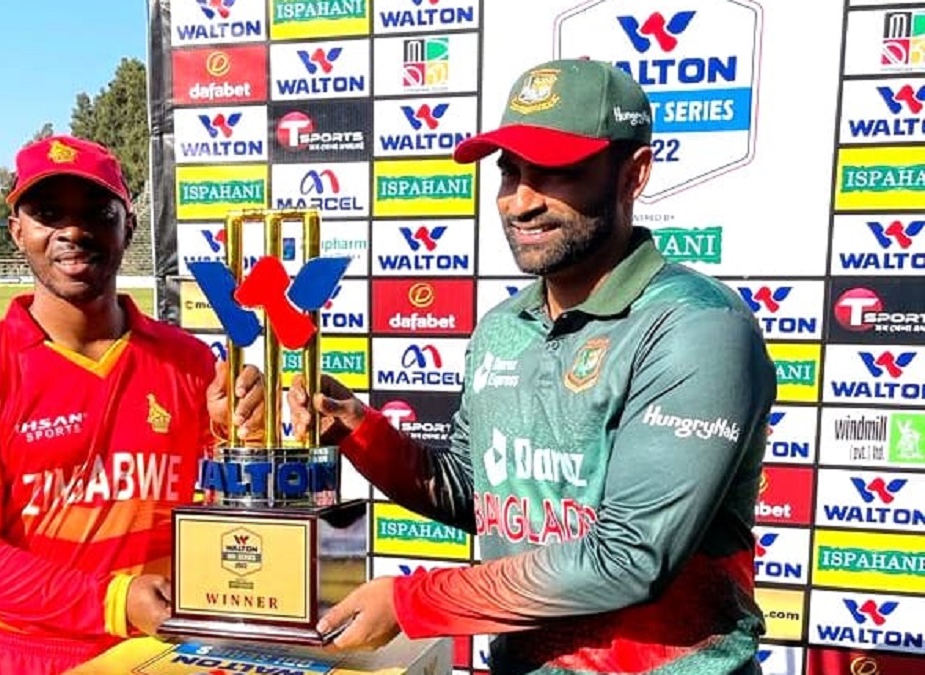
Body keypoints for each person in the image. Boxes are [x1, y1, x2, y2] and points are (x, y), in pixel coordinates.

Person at [289, 59, 777, 674]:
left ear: (634, 174)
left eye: (557, 172)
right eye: (510, 172)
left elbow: (629, 557)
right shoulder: (503, 327)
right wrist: (357, 430)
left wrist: (413, 602)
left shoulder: (696, 327)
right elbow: (472, 492)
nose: (521, 201)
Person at [0, 135, 267, 675]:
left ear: (129, 226)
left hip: (172, 651)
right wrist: (112, 600)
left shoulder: (191, 363)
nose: (73, 231)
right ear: (17, 230)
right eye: (49, 214)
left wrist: (238, 445)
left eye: (97, 212)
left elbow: (228, 525)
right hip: (30, 655)